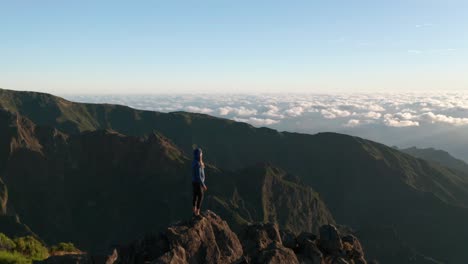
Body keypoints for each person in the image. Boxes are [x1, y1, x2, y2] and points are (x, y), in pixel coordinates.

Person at [192, 147, 207, 216]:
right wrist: (203, 184)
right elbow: (199, 176)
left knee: (195, 196)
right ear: (199, 155)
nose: (202, 154)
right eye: (201, 153)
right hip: (198, 183)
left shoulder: (195, 162)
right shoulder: (198, 164)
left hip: (194, 182)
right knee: (201, 196)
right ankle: (197, 211)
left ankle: (194, 209)